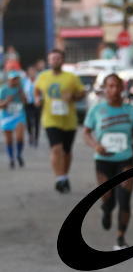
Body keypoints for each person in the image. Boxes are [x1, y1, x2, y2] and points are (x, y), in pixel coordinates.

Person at [83, 73, 133, 250]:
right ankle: (106, 208)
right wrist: (95, 145)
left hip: (125, 159)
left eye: (117, 86)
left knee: (124, 199)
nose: (114, 90)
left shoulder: (130, 110)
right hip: (103, 161)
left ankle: (120, 238)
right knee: (109, 199)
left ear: (122, 88)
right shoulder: (97, 110)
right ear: (105, 89)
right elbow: (86, 132)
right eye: (110, 86)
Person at [34, 49, 86, 192]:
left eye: (58, 58)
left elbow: (82, 92)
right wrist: (38, 99)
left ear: (62, 60)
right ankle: (60, 178)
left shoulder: (71, 77)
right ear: (48, 61)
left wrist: (74, 97)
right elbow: (36, 90)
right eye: (52, 58)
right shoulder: (43, 76)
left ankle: (65, 175)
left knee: (67, 151)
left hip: (69, 120)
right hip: (50, 119)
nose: (55, 61)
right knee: (56, 149)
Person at [0, 70, 27, 168]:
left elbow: (25, 102)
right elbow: (0, 105)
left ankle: (19, 154)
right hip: (6, 116)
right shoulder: (3, 90)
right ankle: (11, 158)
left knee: (20, 137)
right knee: (9, 139)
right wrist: (7, 101)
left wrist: (21, 93)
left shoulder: (20, 88)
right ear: (9, 80)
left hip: (19, 115)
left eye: (17, 79)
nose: (15, 81)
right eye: (13, 79)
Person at [22, 66, 41, 147]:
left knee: (37, 122)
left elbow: (42, 91)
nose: (32, 73)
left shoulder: (39, 81)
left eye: (34, 71)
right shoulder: (24, 81)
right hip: (28, 104)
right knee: (29, 121)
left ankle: (36, 138)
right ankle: (30, 135)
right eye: (31, 71)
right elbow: (22, 91)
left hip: (37, 103)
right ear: (28, 72)